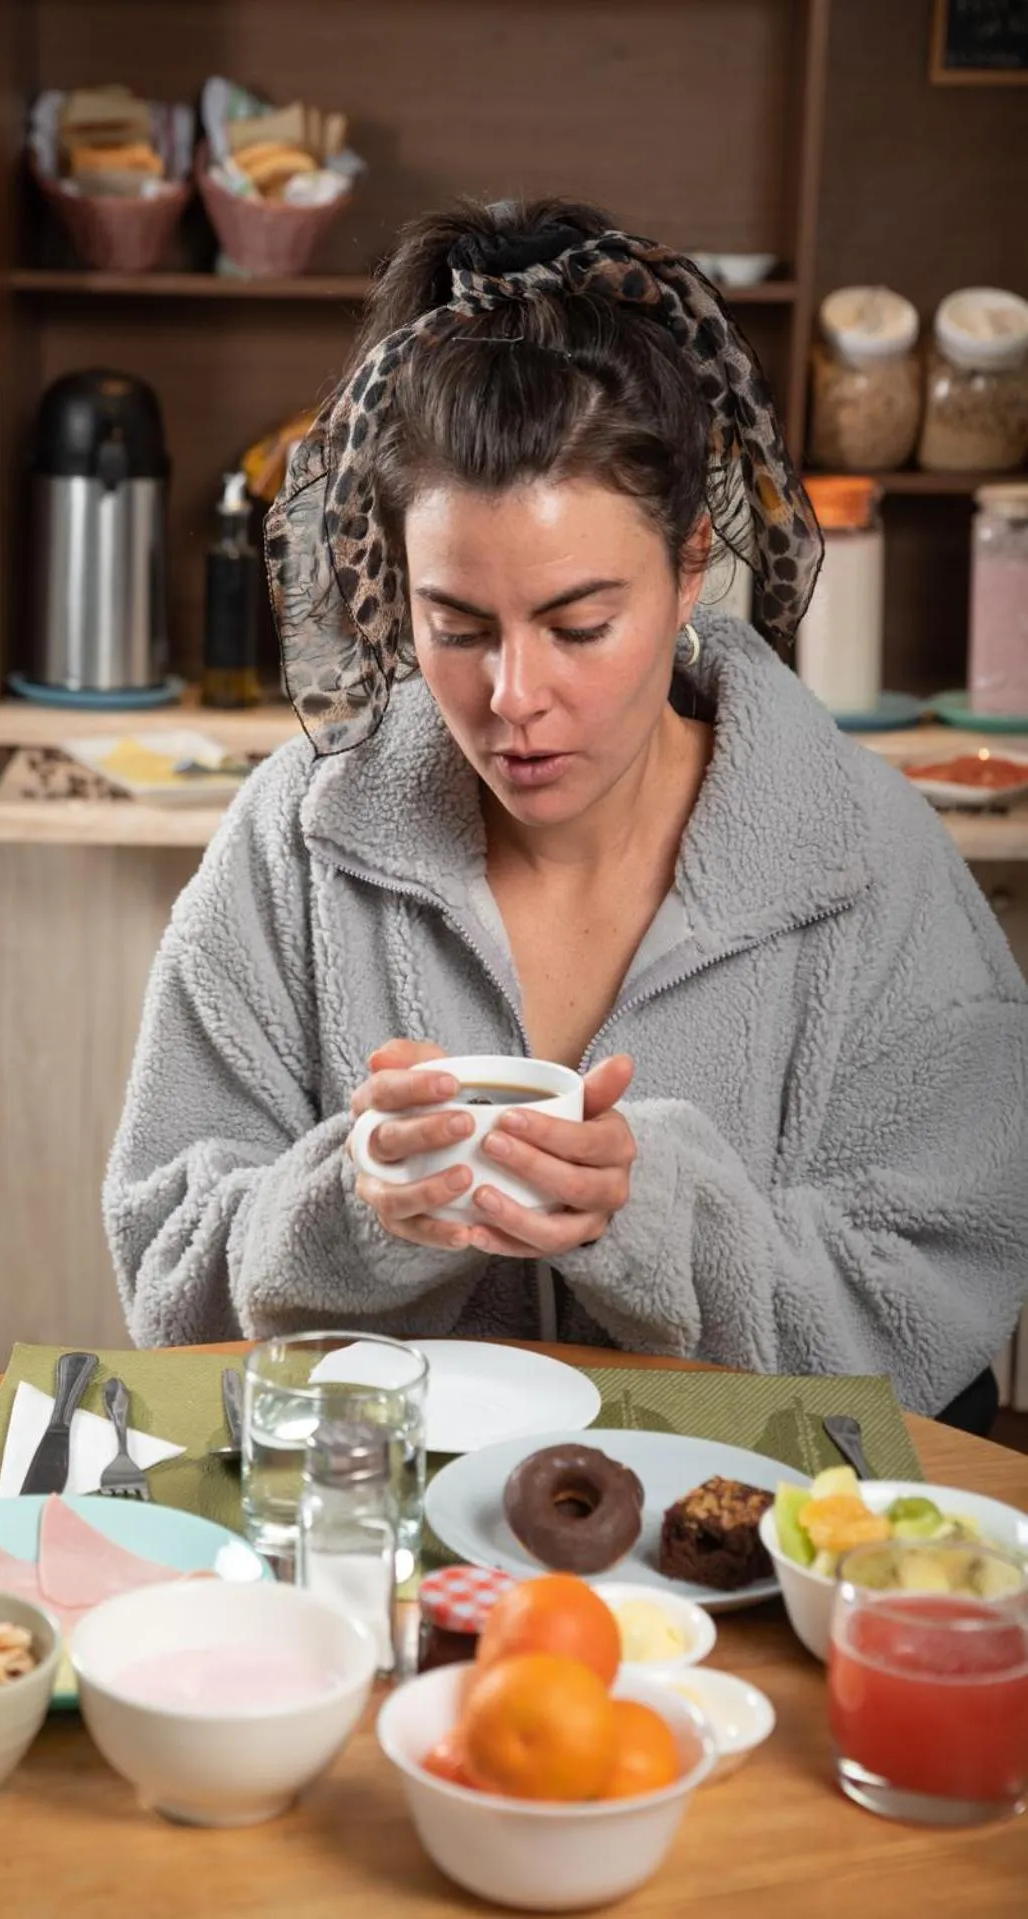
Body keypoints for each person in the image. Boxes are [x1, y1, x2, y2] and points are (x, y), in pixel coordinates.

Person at [104, 198, 1028, 1425]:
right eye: (458, 626)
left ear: (694, 561)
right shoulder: (295, 843)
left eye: (580, 625)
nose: (513, 698)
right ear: (395, 587)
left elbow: (941, 1298)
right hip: (387, 1559)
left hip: (738, 1573)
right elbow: (166, 1270)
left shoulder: (865, 860)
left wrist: (663, 1225)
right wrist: (345, 1212)